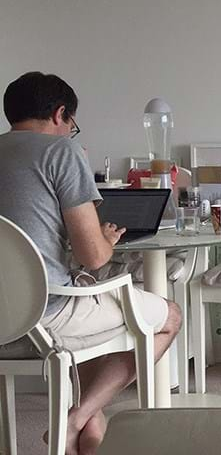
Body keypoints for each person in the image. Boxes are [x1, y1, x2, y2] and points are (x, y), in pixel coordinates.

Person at [0, 72, 182, 455]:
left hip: (4, 323)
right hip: (45, 317)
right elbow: (94, 257)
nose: (70, 133)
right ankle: (76, 418)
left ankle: (91, 421)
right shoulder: (60, 153)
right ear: (60, 114)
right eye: (72, 126)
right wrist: (106, 238)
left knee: (89, 305)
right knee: (168, 317)